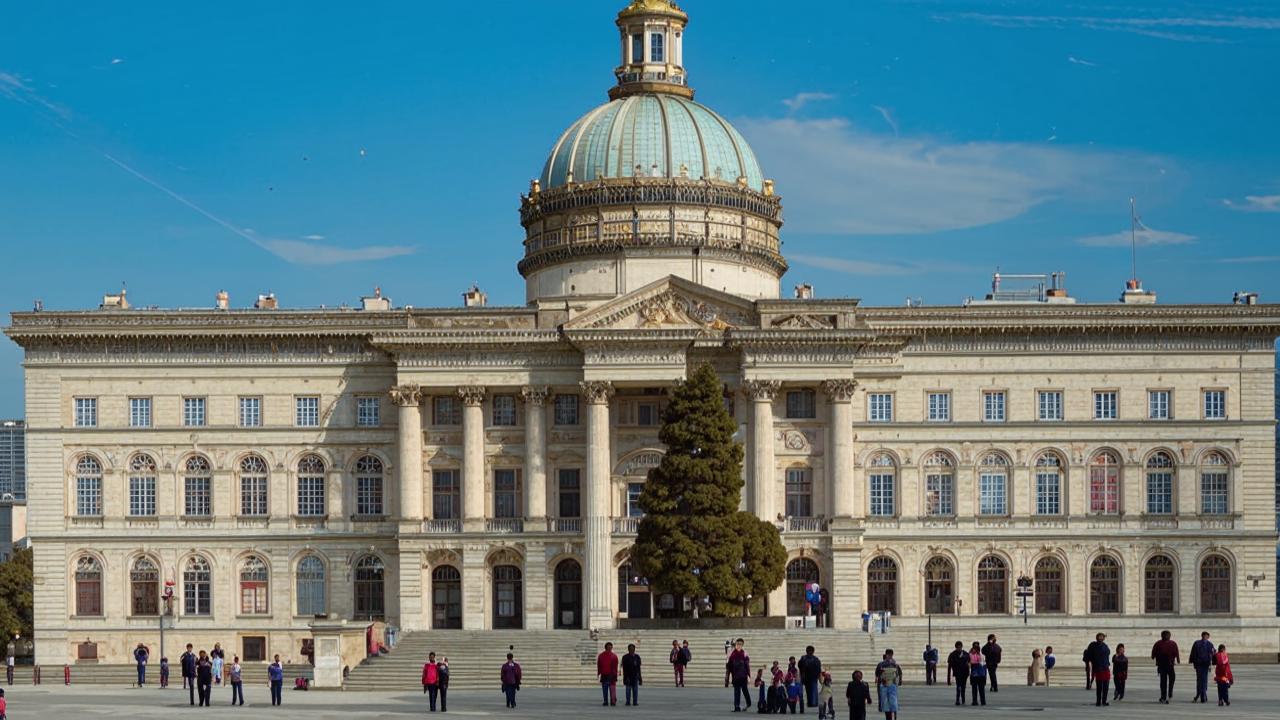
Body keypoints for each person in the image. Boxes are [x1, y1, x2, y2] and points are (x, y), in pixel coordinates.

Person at [1150, 629, 1180, 704]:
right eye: (1165, 635)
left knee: (1171, 679)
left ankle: (1169, 693)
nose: (1167, 636)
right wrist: (1154, 656)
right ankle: (1164, 696)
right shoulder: (1158, 643)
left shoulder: (1173, 643)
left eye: (1168, 635)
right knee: (1163, 681)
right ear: (1162, 636)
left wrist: (1178, 659)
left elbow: (1176, 652)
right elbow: (1154, 652)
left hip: (1169, 664)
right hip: (1163, 665)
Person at [1084, 633, 1111, 707]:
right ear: (1097, 637)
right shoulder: (1093, 645)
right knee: (1099, 687)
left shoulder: (1105, 646)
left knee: (1106, 687)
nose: (1101, 638)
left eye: (1102, 637)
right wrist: (1088, 664)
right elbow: (1088, 655)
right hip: (1098, 668)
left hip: (1105, 668)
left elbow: (1108, 654)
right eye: (1100, 637)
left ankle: (1104, 701)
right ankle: (1098, 701)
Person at [725, 638, 753, 712]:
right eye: (737, 644)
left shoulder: (744, 654)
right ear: (735, 644)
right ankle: (736, 706)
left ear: (742, 645)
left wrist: (748, 675)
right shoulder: (732, 654)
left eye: (740, 644)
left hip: (743, 676)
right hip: (735, 676)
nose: (738, 646)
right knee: (737, 691)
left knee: (745, 690)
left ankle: (748, 702)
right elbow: (729, 666)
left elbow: (747, 665)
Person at [1189, 631, 1216, 704]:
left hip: (1206, 664)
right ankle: (1202, 694)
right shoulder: (1197, 643)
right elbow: (1193, 653)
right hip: (1199, 664)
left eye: (1206, 636)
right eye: (1204, 636)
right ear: (1202, 636)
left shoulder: (1210, 644)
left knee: (1203, 679)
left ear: (1208, 637)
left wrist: (1212, 663)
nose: (1205, 637)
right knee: (1200, 679)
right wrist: (1192, 661)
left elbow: (1213, 654)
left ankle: (1201, 695)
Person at [875, 650, 900, 720]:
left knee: (893, 703)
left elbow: (897, 674)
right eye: (888, 655)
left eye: (890, 655)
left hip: (892, 685)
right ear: (886, 655)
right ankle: (889, 718)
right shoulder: (881, 664)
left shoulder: (895, 664)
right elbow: (877, 674)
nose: (889, 656)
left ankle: (893, 717)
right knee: (887, 704)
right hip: (884, 685)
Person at [597, 641, 620, 707]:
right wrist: (599, 673)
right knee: (605, 689)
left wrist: (615, 674)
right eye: (608, 647)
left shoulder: (614, 656)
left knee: (612, 689)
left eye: (610, 647)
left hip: (612, 675)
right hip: (604, 675)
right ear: (605, 648)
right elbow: (599, 665)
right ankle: (605, 701)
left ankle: (613, 701)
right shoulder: (601, 656)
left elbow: (615, 666)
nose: (609, 648)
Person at [967, 642, 987, 706]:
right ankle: (982, 701)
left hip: (976, 675)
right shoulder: (982, 655)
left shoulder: (971, 655)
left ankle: (975, 701)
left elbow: (971, 664)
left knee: (976, 690)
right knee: (979, 690)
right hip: (979, 675)